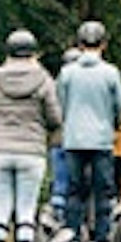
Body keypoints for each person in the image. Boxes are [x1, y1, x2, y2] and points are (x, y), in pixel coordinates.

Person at [0, 28, 62, 242]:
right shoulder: (43, 79)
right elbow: (55, 117)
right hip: (31, 151)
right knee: (26, 212)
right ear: (34, 52)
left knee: (1, 210)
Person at [57, 20, 121, 242]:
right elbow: (119, 107)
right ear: (103, 44)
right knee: (103, 192)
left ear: (79, 43)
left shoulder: (67, 73)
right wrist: (115, 126)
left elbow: (60, 106)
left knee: (74, 191)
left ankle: (73, 240)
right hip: (101, 140)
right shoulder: (111, 73)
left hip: (73, 139)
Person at [47, 47, 81, 221]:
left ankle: (56, 222)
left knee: (59, 185)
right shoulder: (85, 85)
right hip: (79, 142)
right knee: (78, 187)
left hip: (58, 141)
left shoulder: (53, 85)